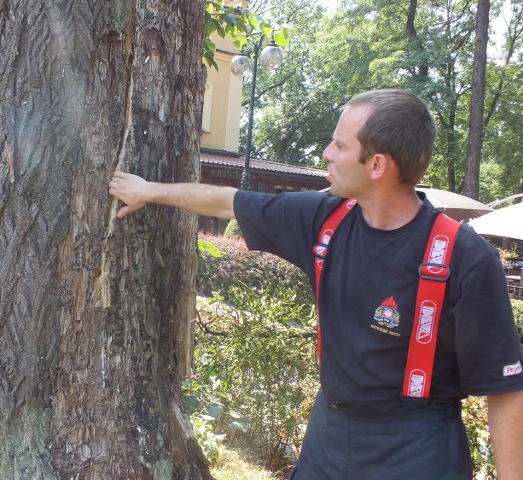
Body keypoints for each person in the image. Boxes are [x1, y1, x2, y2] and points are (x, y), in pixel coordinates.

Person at [108, 89, 523, 479]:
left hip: (418, 448)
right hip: (330, 434)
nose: (326, 154)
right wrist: (148, 191)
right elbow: (227, 200)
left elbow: (504, 389)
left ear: (376, 165)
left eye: (340, 145)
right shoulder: (323, 217)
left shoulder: (465, 257)